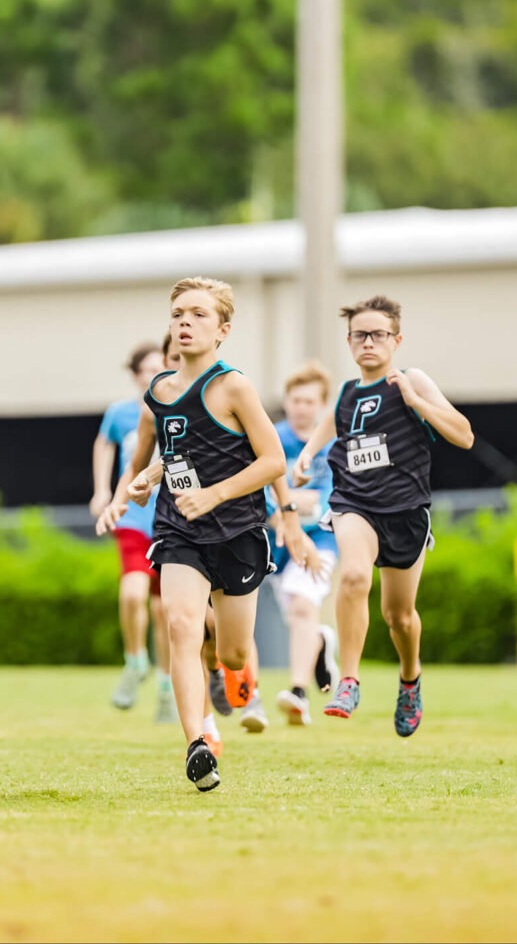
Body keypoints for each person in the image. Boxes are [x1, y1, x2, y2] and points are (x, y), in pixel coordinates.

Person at [99, 278, 317, 792]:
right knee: (181, 626)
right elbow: (150, 454)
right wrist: (134, 485)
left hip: (238, 531)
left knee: (233, 651)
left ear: (222, 330)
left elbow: (273, 460)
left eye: (197, 314)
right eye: (178, 313)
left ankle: (233, 673)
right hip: (179, 530)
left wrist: (217, 496)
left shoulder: (233, 387)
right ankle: (198, 743)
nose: (185, 322)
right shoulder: (157, 394)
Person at [292, 295, 473, 736]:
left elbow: (464, 435)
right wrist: (308, 453)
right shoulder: (347, 393)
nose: (368, 342)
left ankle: (410, 679)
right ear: (349, 340)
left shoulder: (412, 380)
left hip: (406, 510)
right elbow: (332, 422)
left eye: (377, 334)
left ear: (396, 340)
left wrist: (415, 400)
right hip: (355, 503)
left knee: (400, 616)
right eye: (359, 335)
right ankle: (348, 680)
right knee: (353, 576)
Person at [90, 342, 175, 722]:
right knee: (132, 591)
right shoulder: (123, 413)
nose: (152, 374)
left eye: (160, 367)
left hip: (171, 519)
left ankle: (166, 685)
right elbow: (104, 445)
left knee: (163, 610)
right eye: (146, 369)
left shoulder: (178, 410)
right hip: (133, 516)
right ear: (136, 374)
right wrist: (102, 492)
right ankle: (135, 660)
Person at [270, 361, 342, 726]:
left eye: (309, 401)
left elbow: (332, 497)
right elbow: (263, 490)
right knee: (297, 615)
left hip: (321, 541)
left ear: (322, 405)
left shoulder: (331, 445)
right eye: (295, 400)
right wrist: (290, 505)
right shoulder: (271, 439)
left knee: (301, 605)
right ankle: (321, 642)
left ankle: (298, 692)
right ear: (286, 401)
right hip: (278, 544)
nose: (301, 407)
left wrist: (294, 504)